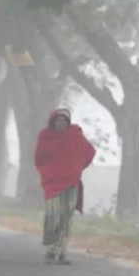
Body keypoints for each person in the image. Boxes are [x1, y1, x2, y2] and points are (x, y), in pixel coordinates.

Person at [35, 108, 96, 265]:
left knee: (66, 218)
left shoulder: (75, 136)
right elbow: (39, 158)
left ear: (68, 122)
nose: (61, 122)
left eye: (64, 120)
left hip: (70, 183)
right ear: (53, 121)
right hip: (52, 183)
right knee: (53, 216)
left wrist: (76, 168)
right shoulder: (46, 137)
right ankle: (50, 250)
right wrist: (47, 172)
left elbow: (89, 152)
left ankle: (61, 252)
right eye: (58, 120)